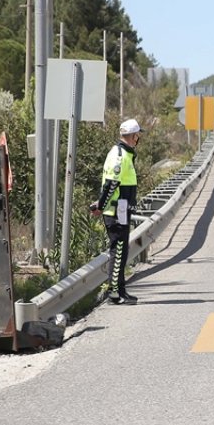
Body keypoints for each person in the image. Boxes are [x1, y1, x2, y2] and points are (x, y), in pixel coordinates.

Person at [89, 118, 144, 305]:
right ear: (133, 136)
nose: (138, 139)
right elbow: (112, 184)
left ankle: (121, 290)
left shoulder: (124, 154)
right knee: (118, 250)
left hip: (121, 208)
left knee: (121, 250)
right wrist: (101, 206)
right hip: (116, 210)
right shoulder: (119, 155)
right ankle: (114, 293)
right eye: (137, 135)